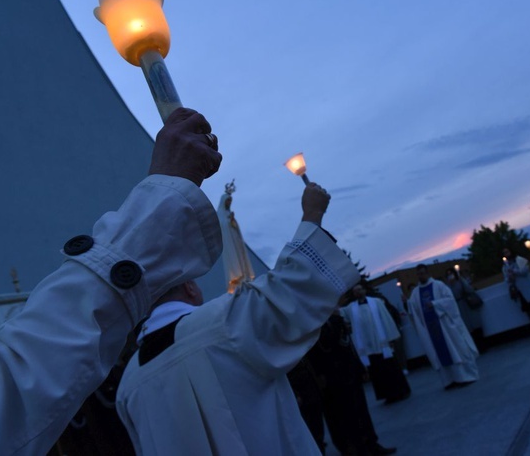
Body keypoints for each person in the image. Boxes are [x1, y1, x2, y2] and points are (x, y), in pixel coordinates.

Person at [0, 107, 223, 455]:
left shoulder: (133, 378)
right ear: (191, 287)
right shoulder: (224, 327)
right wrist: (167, 193)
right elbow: (3, 396)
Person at [116, 182, 360, 455]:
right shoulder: (222, 322)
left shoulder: (128, 384)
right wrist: (312, 214)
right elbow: (292, 292)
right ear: (190, 288)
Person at [303, 308, 397, 455]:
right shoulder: (312, 321)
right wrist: (336, 322)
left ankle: (371, 443)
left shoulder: (336, 319)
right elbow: (325, 346)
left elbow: (348, 345)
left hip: (350, 372)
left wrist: (360, 367)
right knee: (342, 417)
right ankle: (353, 448)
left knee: (361, 411)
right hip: (331, 378)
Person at [408, 264, 479, 390]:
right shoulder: (415, 293)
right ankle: (449, 380)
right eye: (418, 274)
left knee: (456, 350)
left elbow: (450, 300)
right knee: (439, 353)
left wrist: (435, 304)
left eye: (423, 273)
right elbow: (415, 311)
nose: (421, 276)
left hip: (446, 326)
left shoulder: (438, 285)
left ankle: (464, 377)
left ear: (427, 273)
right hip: (431, 329)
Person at [341, 283, 411, 404]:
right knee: (377, 372)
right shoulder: (351, 308)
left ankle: (401, 391)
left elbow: (386, 319)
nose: (357, 292)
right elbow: (340, 314)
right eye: (355, 291)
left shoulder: (376, 302)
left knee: (391, 369)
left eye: (359, 289)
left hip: (382, 343)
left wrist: (391, 338)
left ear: (364, 290)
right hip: (369, 346)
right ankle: (387, 395)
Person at [216, 179, 255, 293]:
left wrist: (232, 220)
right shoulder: (221, 214)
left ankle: (244, 275)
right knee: (233, 259)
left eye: (230, 201)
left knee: (241, 257)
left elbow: (234, 226)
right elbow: (222, 225)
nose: (229, 203)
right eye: (227, 201)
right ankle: (236, 276)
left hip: (236, 240)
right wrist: (229, 221)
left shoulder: (228, 213)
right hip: (229, 241)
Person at [502, 247, 530, 337]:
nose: (506, 254)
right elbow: (506, 279)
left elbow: (525, 271)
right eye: (504, 253)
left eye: (507, 251)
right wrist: (509, 277)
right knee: (528, 311)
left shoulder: (519, 260)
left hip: (527, 288)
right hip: (519, 291)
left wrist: (514, 271)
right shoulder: (505, 266)